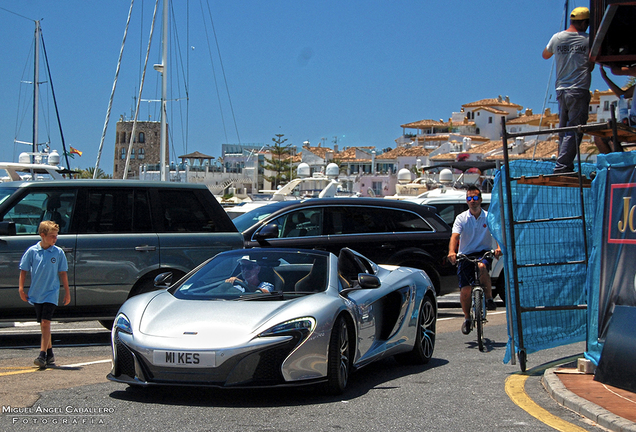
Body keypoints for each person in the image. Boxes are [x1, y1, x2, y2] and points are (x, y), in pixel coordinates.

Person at [542, 6, 594, 173]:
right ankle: (562, 166)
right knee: (575, 128)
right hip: (578, 88)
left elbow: (545, 54)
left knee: (564, 129)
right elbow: (591, 65)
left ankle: (564, 164)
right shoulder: (588, 40)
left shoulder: (557, 38)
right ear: (584, 22)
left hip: (561, 89)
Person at [447, 186, 502, 335]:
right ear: (466, 201)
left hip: (483, 252)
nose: (472, 201)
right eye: (469, 198)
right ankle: (467, 319)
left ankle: (489, 298)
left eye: (475, 198)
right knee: (465, 290)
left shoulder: (488, 216)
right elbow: (455, 236)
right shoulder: (461, 218)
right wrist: (452, 252)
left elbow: (496, 233)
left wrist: (498, 248)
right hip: (466, 254)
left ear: (480, 200)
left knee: (482, 267)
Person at [18, 220, 71, 368]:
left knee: (45, 322)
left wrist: (67, 292)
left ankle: (42, 355)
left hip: (51, 292)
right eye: (52, 236)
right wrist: (21, 289)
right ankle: (50, 353)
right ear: (43, 235)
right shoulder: (32, 251)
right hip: (37, 293)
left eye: (56, 236)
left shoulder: (58, 252)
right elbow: (23, 270)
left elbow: (63, 273)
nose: (55, 239)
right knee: (43, 325)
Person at [593, 65, 636, 152]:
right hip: (633, 123)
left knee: (607, 136)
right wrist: (605, 77)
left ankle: (619, 163)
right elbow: (622, 95)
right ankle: (617, 163)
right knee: (600, 137)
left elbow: (617, 70)